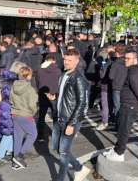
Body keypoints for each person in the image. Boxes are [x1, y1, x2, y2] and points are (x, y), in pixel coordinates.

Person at [50, 49, 90, 181]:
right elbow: (65, 97)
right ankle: (79, 168)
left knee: (63, 152)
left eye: (69, 60)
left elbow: (82, 103)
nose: (66, 62)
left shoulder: (78, 78)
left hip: (70, 120)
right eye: (65, 60)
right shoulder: (64, 75)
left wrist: (72, 123)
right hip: (59, 118)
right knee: (56, 147)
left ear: (77, 61)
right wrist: (54, 99)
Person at [103, 49, 138, 162]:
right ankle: (117, 149)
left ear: (135, 59)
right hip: (129, 103)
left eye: (128, 58)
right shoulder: (134, 70)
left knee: (124, 129)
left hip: (130, 104)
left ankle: (119, 153)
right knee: (122, 127)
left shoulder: (134, 71)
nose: (125, 60)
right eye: (125, 58)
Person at [10, 66, 38, 170]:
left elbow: (10, 99)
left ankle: (15, 162)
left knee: (18, 138)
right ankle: (20, 155)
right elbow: (32, 105)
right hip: (26, 115)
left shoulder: (14, 86)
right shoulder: (30, 89)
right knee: (33, 134)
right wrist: (33, 112)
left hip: (15, 113)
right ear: (29, 75)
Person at [36, 54, 62, 140]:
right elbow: (60, 83)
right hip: (54, 95)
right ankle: (56, 135)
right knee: (55, 115)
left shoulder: (39, 70)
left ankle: (40, 136)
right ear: (53, 61)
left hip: (43, 94)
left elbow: (37, 82)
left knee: (41, 116)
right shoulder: (58, 71)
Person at [108, 43, 127, 121]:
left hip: (116, 87)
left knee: (117, 106)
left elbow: (111, 76)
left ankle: (118, 124)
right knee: (124, 106)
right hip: (125, 86)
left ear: (117, 52)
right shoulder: (127, 62)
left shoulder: (115, 63)